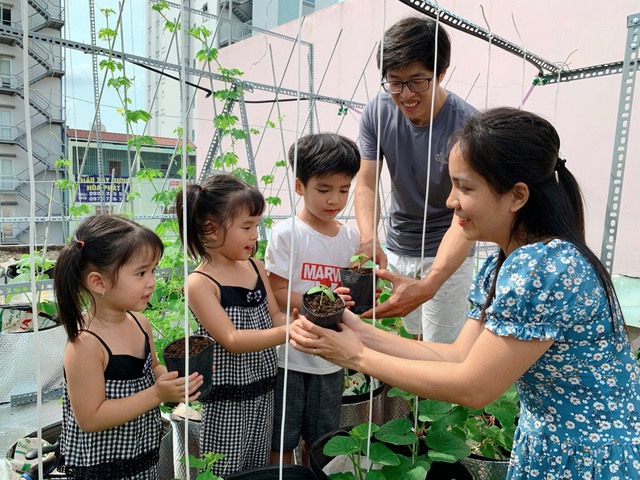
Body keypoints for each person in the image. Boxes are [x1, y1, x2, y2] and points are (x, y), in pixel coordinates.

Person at [290, 107, 640, 478]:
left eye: (465, 187)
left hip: (589, 455)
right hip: (552, 442)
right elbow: (460, 356)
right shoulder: (504, 263)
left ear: (517, 196)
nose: (450, 201)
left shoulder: (545, 267)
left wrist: (357, 355)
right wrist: (359, 332)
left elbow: (474, 387)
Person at [54, 215, 203, 480]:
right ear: (98, 282)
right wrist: (157, 394)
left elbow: (152, 367)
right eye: (141, 273)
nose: (151, 282)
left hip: (141, 456)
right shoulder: (86, 344)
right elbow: (91, 418)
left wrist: (173, 382)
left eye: (153, 271)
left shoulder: (140, 323)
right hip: (102, 467)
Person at [355, 16, 476, 342]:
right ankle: (402, 396)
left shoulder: (467, 126)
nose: (405, 94)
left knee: (440, 349)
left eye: (417, 81)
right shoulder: (377, 111)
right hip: (398, 246)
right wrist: (369, 239)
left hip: (448, 249)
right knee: (407, 340)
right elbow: (366, 182)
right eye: (394, 82)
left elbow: (465, 212)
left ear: (441, 74)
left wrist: (431, 282)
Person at [175, 173, 288, 477]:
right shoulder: (200, 283)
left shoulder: (255, 266)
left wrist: (305, 323)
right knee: (225, 469)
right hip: (227, 397)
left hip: (263, 387)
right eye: (247, 227)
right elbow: (232, 340)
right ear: (209, 230)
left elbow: (275, 316)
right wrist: (289, 332)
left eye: (257, 225)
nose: (255, 235)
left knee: (257, 467)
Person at [264, 133, 361, 466]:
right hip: (289, 357)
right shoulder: (287, 234)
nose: (335, 199)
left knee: (322, 441)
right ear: (299, 186)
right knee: (282, 439)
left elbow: (351, 297)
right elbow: (275, 294)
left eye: (344, 189)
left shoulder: (351, 239)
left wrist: (355, 297)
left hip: (330, 359)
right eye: (324, 189)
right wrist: (320, 299)